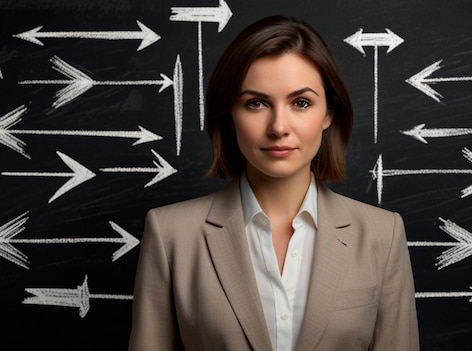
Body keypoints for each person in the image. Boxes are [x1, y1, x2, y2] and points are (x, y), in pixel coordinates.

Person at [129, 15, 419, 351]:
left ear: (328, 114)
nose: (278, 126)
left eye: (301, 103)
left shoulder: (383, 235)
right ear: (230, 116)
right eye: (256, 103)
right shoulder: (171, 235)